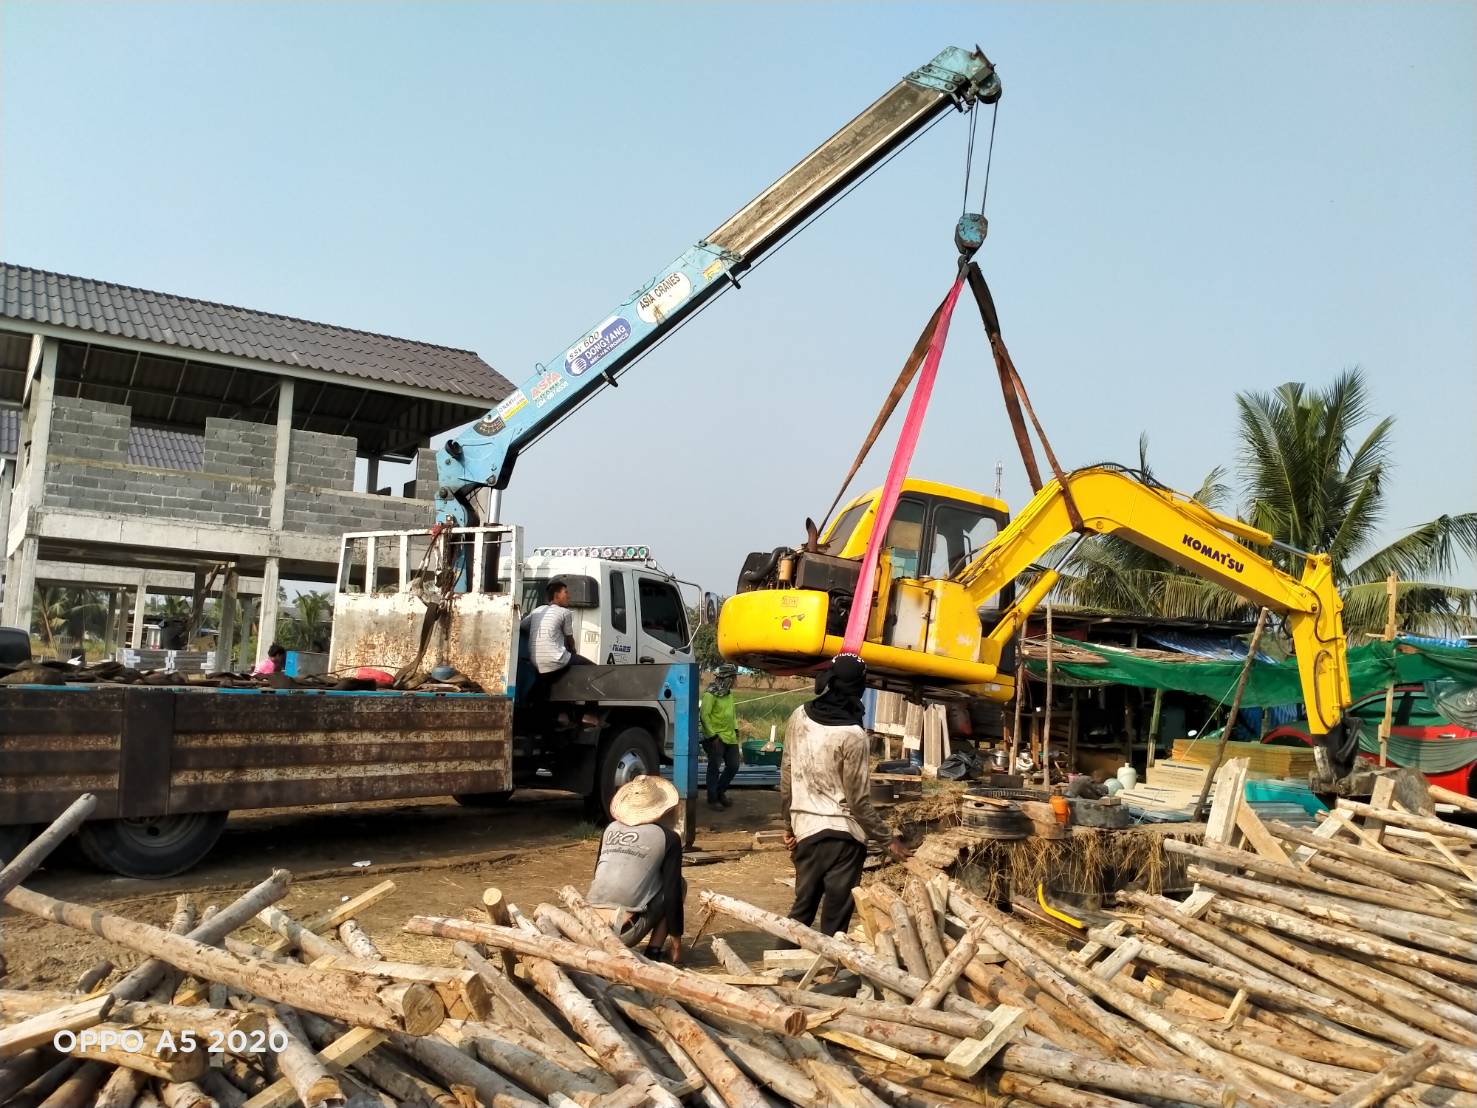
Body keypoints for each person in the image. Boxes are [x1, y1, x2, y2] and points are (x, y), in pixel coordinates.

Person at [781, 653, 910, 938]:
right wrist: (888, 840)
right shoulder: (854, 735)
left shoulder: (799, 717)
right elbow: (858, 802)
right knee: (835, 925)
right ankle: (834, 963)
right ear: (858, 687)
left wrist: (789, 826)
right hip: (844, 840)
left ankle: (780, 958)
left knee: (800, 913)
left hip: (807, 831)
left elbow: (787, 778)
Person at [586, 775, 685, 961]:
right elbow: (672, 894)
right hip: (623, 933)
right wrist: (677, 944)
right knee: (679, 884)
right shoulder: (669, 838)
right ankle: (654, 951)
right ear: (661, 807)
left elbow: (598, 873)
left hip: (587, 925)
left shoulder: (610, 829)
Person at [520, 578, 593, 724]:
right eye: (566, 592)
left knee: (551, 682)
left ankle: (561, 715)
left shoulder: (537, 611)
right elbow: (570, 639)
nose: (568, 596)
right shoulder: (564, 612)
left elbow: (522, 626)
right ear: (556, 595)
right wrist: (573, 651)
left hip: (536, 661)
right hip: (555, 659)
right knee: (592, 670)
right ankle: (589, 715)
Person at [700, 664, 741, 808]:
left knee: (734, 765)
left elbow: (732, 713)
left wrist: (736, 728)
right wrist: (713, 736)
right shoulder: (710, 694)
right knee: (714, 767)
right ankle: (712, 799)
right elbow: (704, 716)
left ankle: (719, 791)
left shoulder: (728, 694)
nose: (736, 681)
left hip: (730, 736)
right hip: (716, 738)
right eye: (734, 678)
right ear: (727, 678)